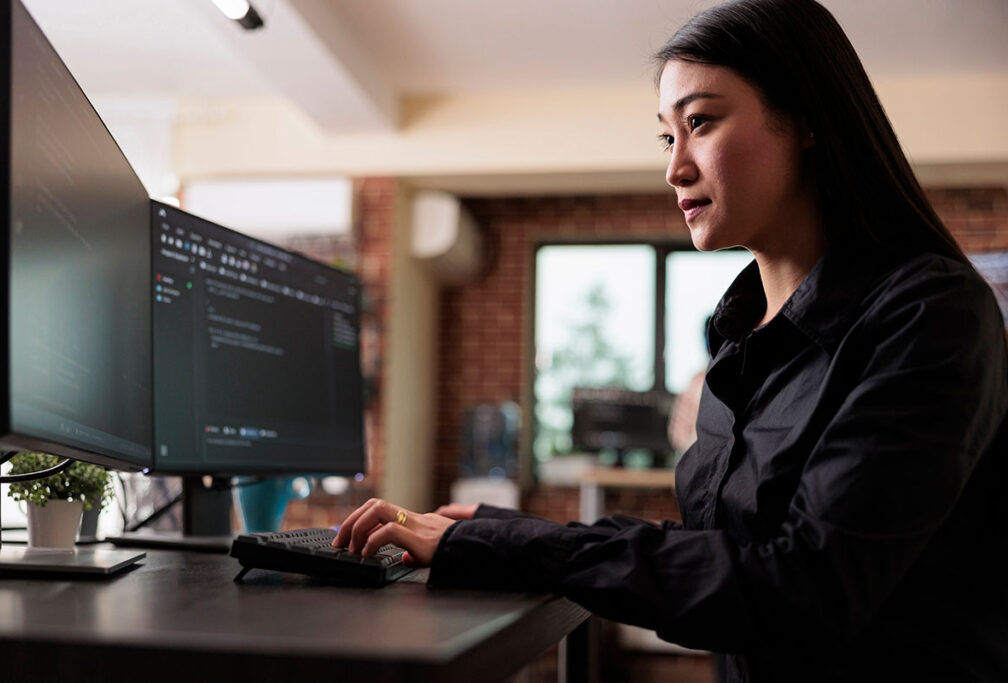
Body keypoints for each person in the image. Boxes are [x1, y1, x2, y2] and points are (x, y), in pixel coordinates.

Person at [333, 1, 1008, 680]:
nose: (675, 167)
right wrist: (502, 531)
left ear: (805, 117)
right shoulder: (738, 336)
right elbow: (715, 549)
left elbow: (800, 587)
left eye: (701, 122)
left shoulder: (931, 314)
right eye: (667, 137)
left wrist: (517, 547)